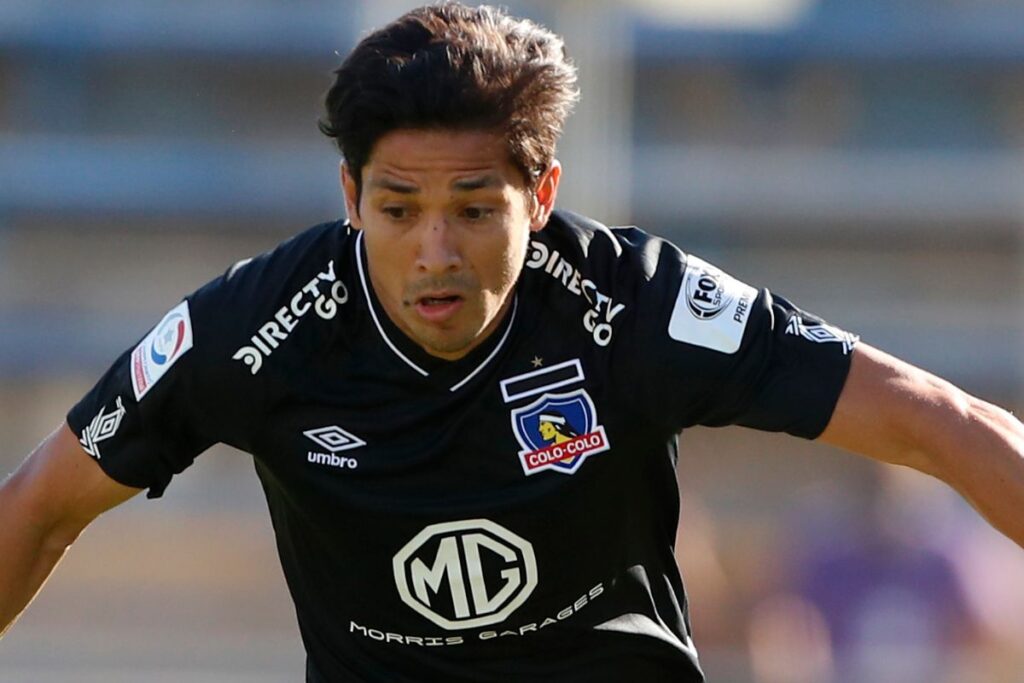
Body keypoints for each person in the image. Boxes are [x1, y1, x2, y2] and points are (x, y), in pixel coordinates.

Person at [1, 3, 1022, 682]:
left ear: (541, 198)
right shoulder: (253, 331)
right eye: (399, 210)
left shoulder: (636, 305)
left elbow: (943, 424)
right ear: (351, 196)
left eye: (475, 210)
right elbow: (41, 504)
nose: (434, 252)